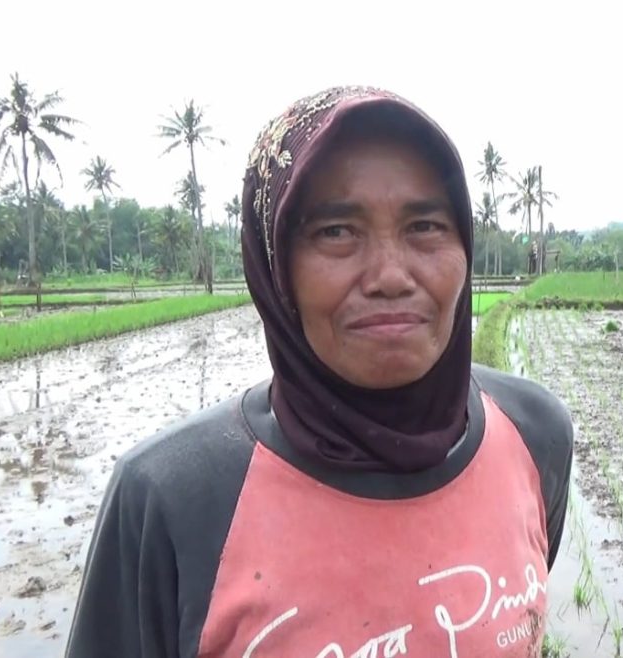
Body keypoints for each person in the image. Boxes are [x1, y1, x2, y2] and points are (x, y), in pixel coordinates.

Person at [64, 86, 573, 657]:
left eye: (425, 226)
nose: (390, 276)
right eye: (336, 232)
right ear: (276, 267)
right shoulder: (170, 497)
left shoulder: (534, 435)